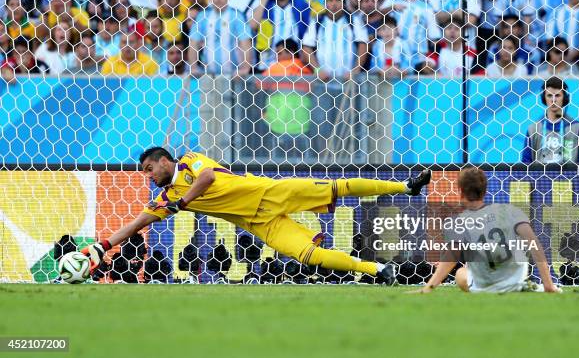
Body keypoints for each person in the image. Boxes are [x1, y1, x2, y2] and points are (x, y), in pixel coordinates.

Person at [82, 147, 433, 285]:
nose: (148, 176)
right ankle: (378, 270)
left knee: (338, 187)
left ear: (164, 161)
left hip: (269, 191)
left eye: (149, 169)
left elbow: (209, 178)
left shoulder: (190, 162)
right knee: (307, 254)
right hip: (259, 222)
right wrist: (101, 246)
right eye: (145, 173)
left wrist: (184, 201)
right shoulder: (165, 198)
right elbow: (137, 223)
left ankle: (405, 188)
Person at [417, 167, 560, 293]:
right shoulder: (510, 211)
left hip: (484, 286)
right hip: (514, 283)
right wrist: (548, 285)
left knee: (461, 273)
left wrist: (428, 288)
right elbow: (534, 244)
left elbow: (451, 257)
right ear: (485, 191)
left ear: (460, 192)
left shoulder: (459, 221)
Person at [301, 0, 368, 81]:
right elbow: (307, 47)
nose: (334, 3)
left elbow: (363, 45)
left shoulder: (354, 20)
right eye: (330, 0)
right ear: (325, 3)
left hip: (348, 80)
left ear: (344, 3)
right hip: (323, 80)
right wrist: (317, 70)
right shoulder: (317, 21)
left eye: (338, 0)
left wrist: (356, 70)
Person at [188, 0, 252, 76]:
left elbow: (245, 43)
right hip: (208, 75)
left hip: (233, 75)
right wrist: (193, 68)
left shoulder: (237, 16)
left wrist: (245, 68)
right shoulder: (202, 16)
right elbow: (193, 43)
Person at [522, 77, 579, 164]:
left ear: (565, 98)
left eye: (557, 95)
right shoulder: (533, 129)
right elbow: (526, 162)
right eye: (549, 95)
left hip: (568, 177)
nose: (553, 100)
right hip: (540, 177)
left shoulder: (577, 127)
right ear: (544, 98)